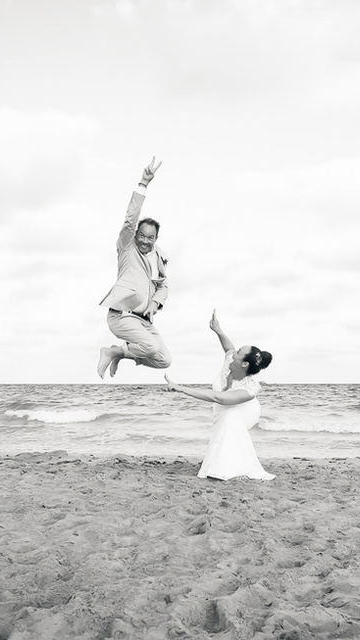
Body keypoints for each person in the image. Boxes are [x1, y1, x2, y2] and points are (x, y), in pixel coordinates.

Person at [165, 310, 275, 481]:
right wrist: (218, 330)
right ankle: (221, 460)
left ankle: (223, 469)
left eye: (239, 352)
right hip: (222, 405)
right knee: (223, 424)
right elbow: (229, 347)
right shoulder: (231, 360)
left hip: (245, 410)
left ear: (244, 363)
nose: (234, 352)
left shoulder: (250, 389)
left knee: (230, 420)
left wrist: (181, 389)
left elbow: (219, 398)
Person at [97, 157, 172, 379]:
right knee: (149, 347)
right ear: (136, 235)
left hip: (143, 320)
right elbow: (130, 220)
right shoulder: (127, 247)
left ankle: (120, 354)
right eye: (142, 236)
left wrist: (155, 303)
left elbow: (164, 287)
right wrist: (143, 183)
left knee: (164, 360)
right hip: (121, 316)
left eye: (150, 238)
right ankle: (113, 351)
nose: (145, 241)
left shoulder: (159, 257)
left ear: (156, 238)